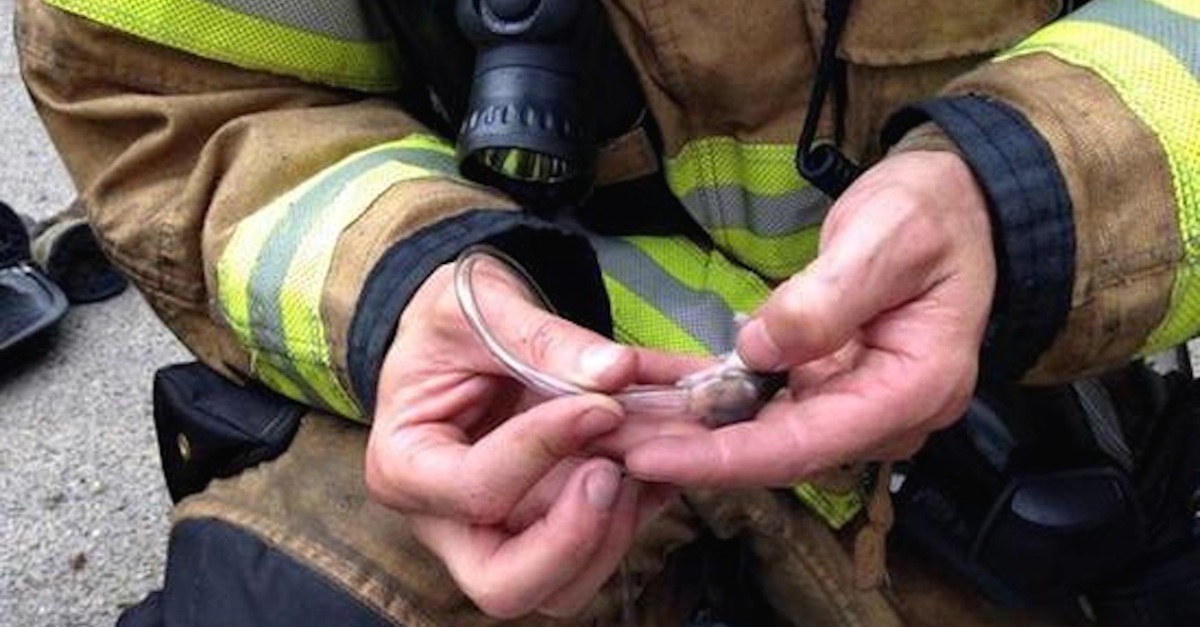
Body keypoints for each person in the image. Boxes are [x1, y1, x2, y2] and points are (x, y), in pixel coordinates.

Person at [15, 0, 1199, 626]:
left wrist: (1024, 193)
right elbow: (169, 95)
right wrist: (405, 275)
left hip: (1019, 403)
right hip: (512, 418)